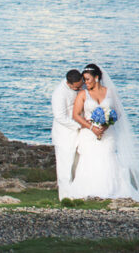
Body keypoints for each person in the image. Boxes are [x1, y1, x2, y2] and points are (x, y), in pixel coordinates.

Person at [68, 63, 139, 204]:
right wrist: (92, 127)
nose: (86, 83)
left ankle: (111, 188)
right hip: (89, 133)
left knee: (107, 157)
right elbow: (76, 115)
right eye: (84, 80)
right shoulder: (83, 94)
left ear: (96, 78)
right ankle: (89, 188)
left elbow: (118, 112)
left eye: (88, 79)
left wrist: (106, 124)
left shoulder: (109, 92)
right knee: (90, 159)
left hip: (107, 133)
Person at [50, 69, 85, 199]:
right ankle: (65, 196)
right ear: (69, 84)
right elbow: (60, 117)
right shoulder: (59, 94)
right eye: (77, 87)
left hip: (79, 133)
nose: (80, 88)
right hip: (64, 134)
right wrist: (79, 125)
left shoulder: (80, 86)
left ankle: (77, 192)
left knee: (78, 163)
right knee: (65, 166)